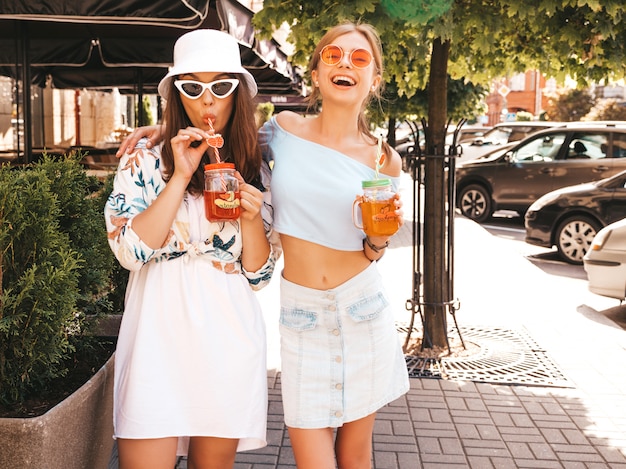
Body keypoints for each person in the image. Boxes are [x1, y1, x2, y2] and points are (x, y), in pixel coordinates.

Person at [117, 22, 409, 469]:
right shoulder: (281, 132)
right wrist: (161, 134)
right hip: (288, 314)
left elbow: (365, 247)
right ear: (315, 72)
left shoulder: (378, 158)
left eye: (360, 58)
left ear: (376, 77)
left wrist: (376, 240)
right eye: (333, 56)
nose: (345, 64)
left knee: (354, 455)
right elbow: (220, 128)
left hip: (355, 304)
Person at [105, 29, 280, 469]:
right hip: (155, 333)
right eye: (193, 87)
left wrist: (250, 217)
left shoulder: (255, 165)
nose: (208, 101)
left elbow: (258, 275)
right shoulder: (145, 160)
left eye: (221, 87)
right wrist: (179, 175)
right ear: (177, 94)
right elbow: (128, 251)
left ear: (237, 93)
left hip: (227, 332)